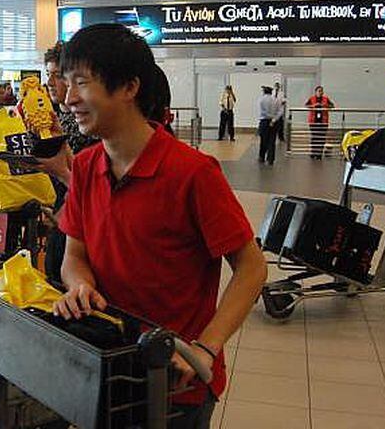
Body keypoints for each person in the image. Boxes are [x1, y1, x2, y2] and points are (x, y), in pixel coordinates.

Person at [51, 24, 267, 428]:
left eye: (81, 82)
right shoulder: (85, 167)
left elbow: (251, 268)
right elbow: (74, 256)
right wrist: (79, 285)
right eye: (66, 82)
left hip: (174, 383)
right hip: (108, 367)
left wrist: (206, 348)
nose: (68, 98)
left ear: (129, 87)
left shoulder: (193, 173)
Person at [44, 44, 98, 155]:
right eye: (48, 74)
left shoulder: (87, 120)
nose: (49, 82)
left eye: (57, 75)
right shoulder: (46, 114)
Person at [305, 86, 335, 160]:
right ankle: (313, 153)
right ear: (315, 92)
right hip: (313, 121)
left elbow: (332, 106)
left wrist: (324, 105)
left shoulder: (326, 99)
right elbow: (306, 105)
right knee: (314, 137)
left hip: (323, 122)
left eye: (321, 91)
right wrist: (313, 106)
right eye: (319, 91)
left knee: (321, 138)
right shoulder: (311, 98)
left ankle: (319, 154)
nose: (320, 92)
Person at [256, 86, 282, 165]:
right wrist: (274, 119)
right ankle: (270, 159)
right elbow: (280, 111)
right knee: (272, 140)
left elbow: (262, 112)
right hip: (274, 122)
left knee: (263, 140)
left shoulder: (261, 99)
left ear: (264, 92)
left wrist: (270, 117)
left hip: (264, 121)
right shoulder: (276, 100)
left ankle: (262, 157)